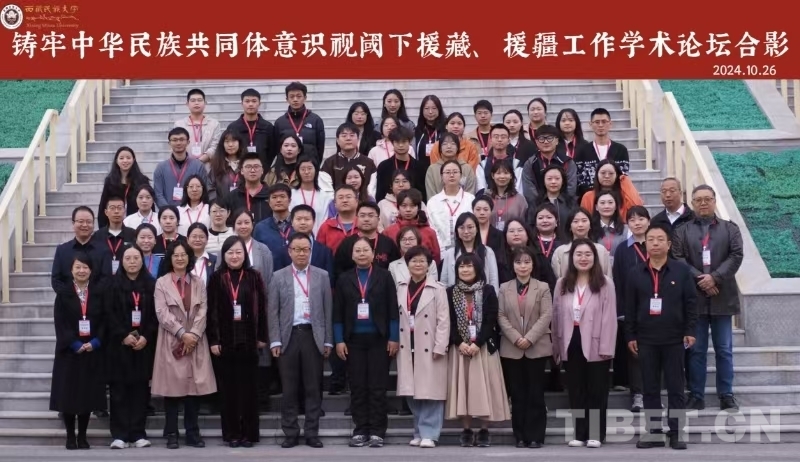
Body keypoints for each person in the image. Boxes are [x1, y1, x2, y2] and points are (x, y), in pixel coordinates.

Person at [626, 223, 697, 450]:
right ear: (645, 244)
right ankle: (654, 431)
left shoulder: (681, 271)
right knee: (650, 387)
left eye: (660, 239)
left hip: (674, 338)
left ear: (669, 244)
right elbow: (630, 307)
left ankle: (676, 432)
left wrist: (690, 330)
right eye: (651, 239)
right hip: (646, 339)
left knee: (676, 387)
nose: (655, 243)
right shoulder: (635, 273)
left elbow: (691, 303)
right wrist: (630, 335)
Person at [672, 185, 743, 412]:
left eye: (707, 199)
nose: (703, 203)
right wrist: (701, 280)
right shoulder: (682, 230)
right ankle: (696, 395)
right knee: (696, 350)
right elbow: (678, 257)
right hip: (695, 300)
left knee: (724, 349)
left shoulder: (730, 229)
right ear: (692, 203)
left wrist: (715, 278)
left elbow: (736, 255)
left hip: (722, 296)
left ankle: (726, 395)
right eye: (698, 200)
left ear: (714, 201)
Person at [268, 233, 333, 449]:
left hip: (313, 335)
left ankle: (312, 432)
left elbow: (328, 310)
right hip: (288, 336)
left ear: (310, 251)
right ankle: (291, 432)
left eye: (305, 249)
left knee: (313, 387)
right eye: (297, 249)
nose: (301, 253)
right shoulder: (278, 276)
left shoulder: (322, 276)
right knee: (289, 389)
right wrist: (275, 341)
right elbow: (272, 311)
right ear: (289, 251)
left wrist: (328, 341)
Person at [333, 237, 399, 448]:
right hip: (353, 341)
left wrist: (394, 337)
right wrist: (339, 340)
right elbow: (337, 312)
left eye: (365, 250)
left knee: (378, 387)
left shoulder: (384, 276)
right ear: (352, 255)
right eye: (357, 251)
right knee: (358, 387)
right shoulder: (344, 279)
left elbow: (392, 309)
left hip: (379, 340)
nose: (361, 254)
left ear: (373, 254)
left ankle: (378, 431)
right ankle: (360, 429)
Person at [552, 239, 617, 448]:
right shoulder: (562, 284)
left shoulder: (605, 283)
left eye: (588, 254)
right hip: (571, 341)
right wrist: (556, 347)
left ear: (594, 258)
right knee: (576, 389)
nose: (583, 258)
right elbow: (556, 316)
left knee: (597, 390)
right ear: (571, 258)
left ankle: (596, 433)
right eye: (578, 254)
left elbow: (610, 318)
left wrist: (607, 347)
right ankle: (580, 434)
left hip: (597, 342)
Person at [152, 241, 216, 449]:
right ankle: (172, 433)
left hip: (195, 341)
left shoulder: (198, 282)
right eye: (176, 255)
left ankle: (192, 432)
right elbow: (162, 313)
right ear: (170, 259)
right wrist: (182, 333)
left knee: (193, 390)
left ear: (189, 258)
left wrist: (194, 335)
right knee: (172, 390)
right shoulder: (161, 283)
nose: (180, 258)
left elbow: (203, 310)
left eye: (183, 255)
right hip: (172, 340)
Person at [207, 236, 267, 448]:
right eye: (230, 252)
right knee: (229, 391)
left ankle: (249, 434)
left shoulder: (254, 276)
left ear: (245, 254)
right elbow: (212, 311)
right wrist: (214, 339)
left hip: (249, 340)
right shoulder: (216, 278)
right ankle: (232, 434)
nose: (234, 256)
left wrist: (262, 336)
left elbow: (262, 307)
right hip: (225, 341)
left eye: (238, 252)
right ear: (223, 255)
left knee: (249, 390)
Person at [446, 253, 510, 448]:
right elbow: (449, 321)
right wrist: (459, 342)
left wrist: (478, 342)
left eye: (469, 266)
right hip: (461, 349)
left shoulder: (488, 290)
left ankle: (484, 429)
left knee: (485, 388)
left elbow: (491, 319)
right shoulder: (450, 292)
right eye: (461, 266)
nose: (465, 270)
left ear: (477, 269)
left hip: (483, 347)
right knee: (463, 389)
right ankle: (466, 429)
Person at [49, 253, 108, 450]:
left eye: (85, 267)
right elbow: (60, 323)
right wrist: (74, 344)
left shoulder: (98, 293)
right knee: (68, 395)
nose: (82, 271)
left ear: (91, 270)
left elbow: (104, 321)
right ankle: (70, 436)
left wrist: (96, 342)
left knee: (87, 395)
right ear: (71, 270)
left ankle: (82, 436)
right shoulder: (63, 294)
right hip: (69, 352)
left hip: (92, 350)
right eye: (78, 267)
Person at [497, 247, 553, 449]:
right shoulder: (504, 288)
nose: (523, 266)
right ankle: (520, 435)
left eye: (527, 262)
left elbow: (546, 315)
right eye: (518, 262)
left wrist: (529, 338)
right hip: (511, 347)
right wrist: (515, 337)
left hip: (536, 346)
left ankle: (536, 436)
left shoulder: (543, 287)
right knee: (517, 394)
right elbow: (500, 315)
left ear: (533, 265)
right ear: (513, 265)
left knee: (535, 393)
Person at [395, 246, 450, 449]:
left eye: (422, 261)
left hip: (429, 344)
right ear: (407, 264)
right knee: (412, 390)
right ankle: (418, 430)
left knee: (431, 391)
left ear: (429, 265)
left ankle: (430, 433)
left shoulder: (438, 288)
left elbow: (444, 320)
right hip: (407, 342)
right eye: (413, 261)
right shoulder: (400, 287)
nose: (418, 264)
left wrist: (440, 346)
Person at [105, 245, 157, 449]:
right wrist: (123, 336)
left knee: (140, 391)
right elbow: (108, 314)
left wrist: (145, 336)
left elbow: (155, 315)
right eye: (128, 258)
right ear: (121, 261)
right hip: (119, 346)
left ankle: (138, 433)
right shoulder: (112, 284)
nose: (132, 262)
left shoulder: (151, 284)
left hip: (143, 346)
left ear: (142, 261)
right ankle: (119, 435)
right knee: (118, 391)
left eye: (136, 258)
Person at [611, 205, 650, 411]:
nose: (637, 223)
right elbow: (617, 281)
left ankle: (652, 393)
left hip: (658, 310)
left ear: (649, 221)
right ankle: (637, 395)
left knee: (654, 353)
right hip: (631, 310)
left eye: (641, 218)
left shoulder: (657, 244)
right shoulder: (622, 249)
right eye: (632, 220)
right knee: (635, 353)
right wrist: (621, 311)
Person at [51, 206, 112, 294]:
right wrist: (75, 296)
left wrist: (88, 297)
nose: (85, 225)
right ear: (73, 223)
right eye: (81, 221)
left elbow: (106, 279)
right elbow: (56, 280)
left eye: (89, 222)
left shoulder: (104, 250)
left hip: (96, 300)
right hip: (67, 300)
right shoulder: (62, 250)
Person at [153, 127, 208, 208]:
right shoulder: (161, 168)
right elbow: (158, 194)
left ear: (188, 142)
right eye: (174, 140)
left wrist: (192, 210)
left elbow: (205, 190)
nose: (178, 143)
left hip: (192, 212)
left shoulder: (198, 166)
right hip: (168, 214)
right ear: (169, 143)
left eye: (182, 139)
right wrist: (169, 211)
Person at [98, 146, 150, 229]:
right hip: (115, 224)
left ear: (133, 160)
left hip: (136, 225)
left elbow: (149, 202)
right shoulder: (110, 181)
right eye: (121, 158)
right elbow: (103, 205)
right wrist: (103, 228)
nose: (125, 161)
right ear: (116, 160)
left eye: (128, 158)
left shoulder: (142, 180)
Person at [273, 82, 326, 162]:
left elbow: (320, 148)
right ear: (287, 99)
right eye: (292, 96)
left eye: (299, 96)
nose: (295, 100)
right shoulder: (279, 122)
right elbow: (277, 148)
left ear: (305, 98)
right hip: (286, 166)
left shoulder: (316, 120)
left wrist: (315, 164)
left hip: (308, 166)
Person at [227, 88, 276, 170]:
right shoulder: (233, 127)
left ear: (259, 103)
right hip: (239, 170)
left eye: (254, 101)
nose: (250, 104)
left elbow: (272, 151)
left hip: (262, 170)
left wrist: (265, 166)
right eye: (247, 101)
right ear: (242, 103)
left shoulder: (267, 127)